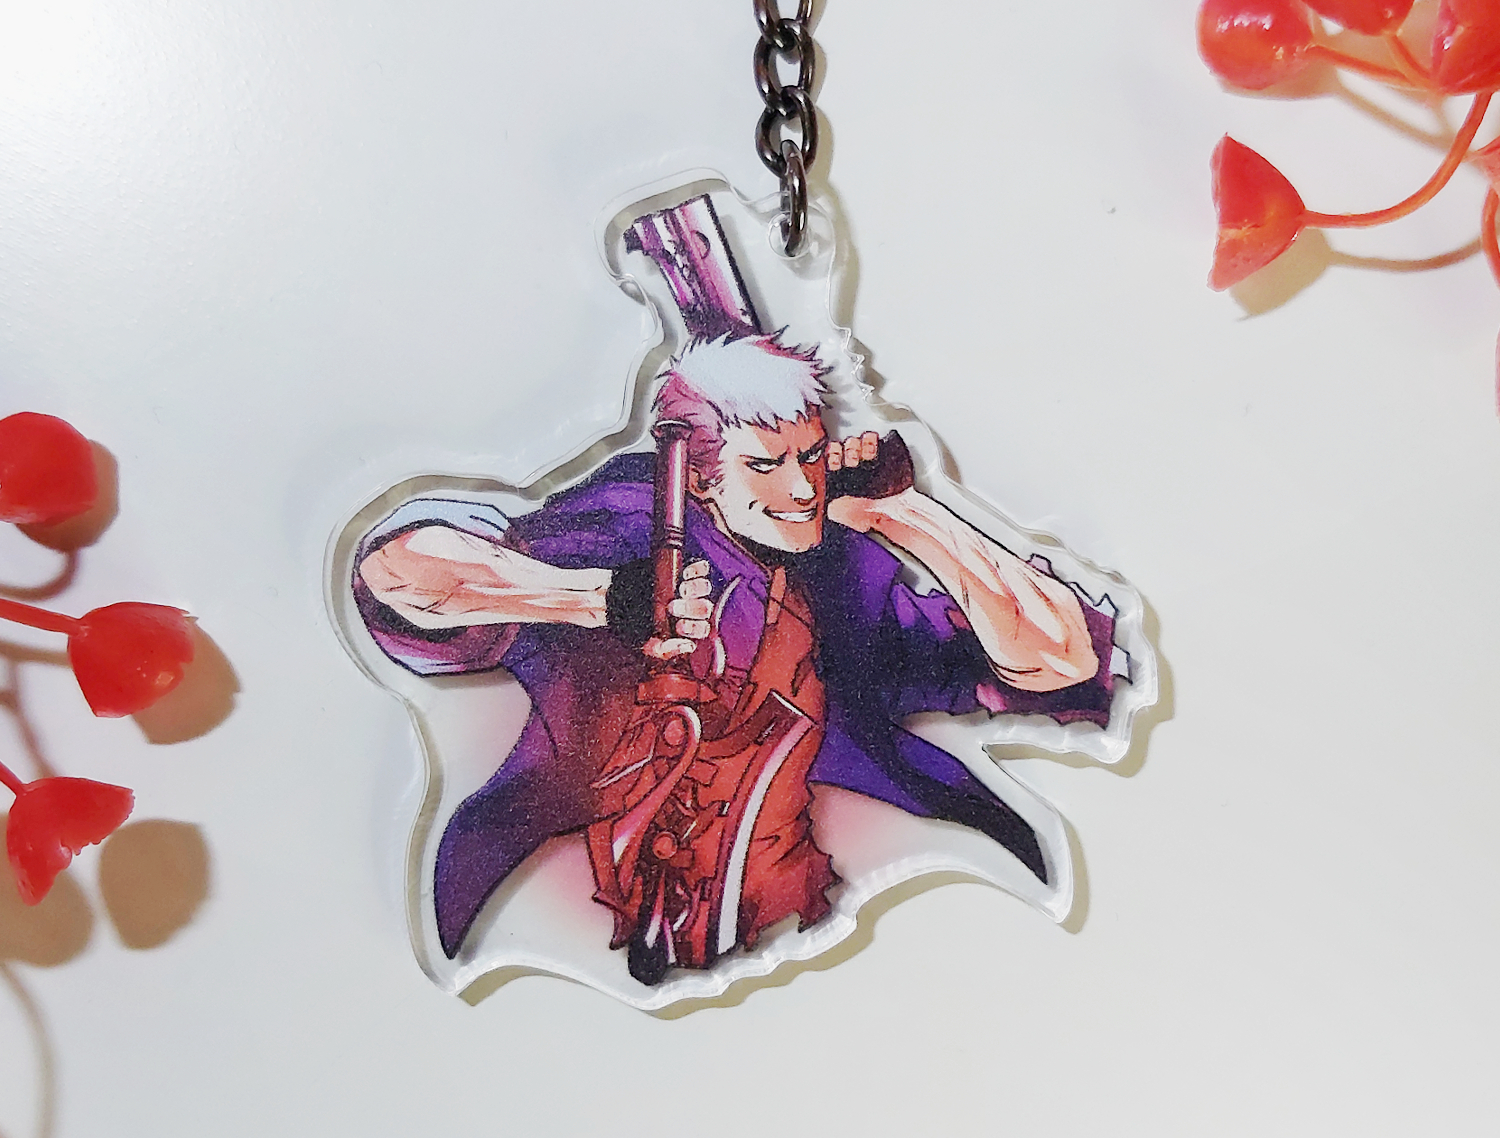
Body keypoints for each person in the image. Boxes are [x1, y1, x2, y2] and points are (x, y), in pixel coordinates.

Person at [354, 333, 1116, 984]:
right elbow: (396, 571)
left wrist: (906, 514)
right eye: (765, 464)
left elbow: (1060, 659)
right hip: (558, 927)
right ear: (701, 477)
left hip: (839, 935)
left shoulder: (846, 579)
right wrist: (601, 598)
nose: (800, 488)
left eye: (810, 456)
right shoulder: (629, 524)